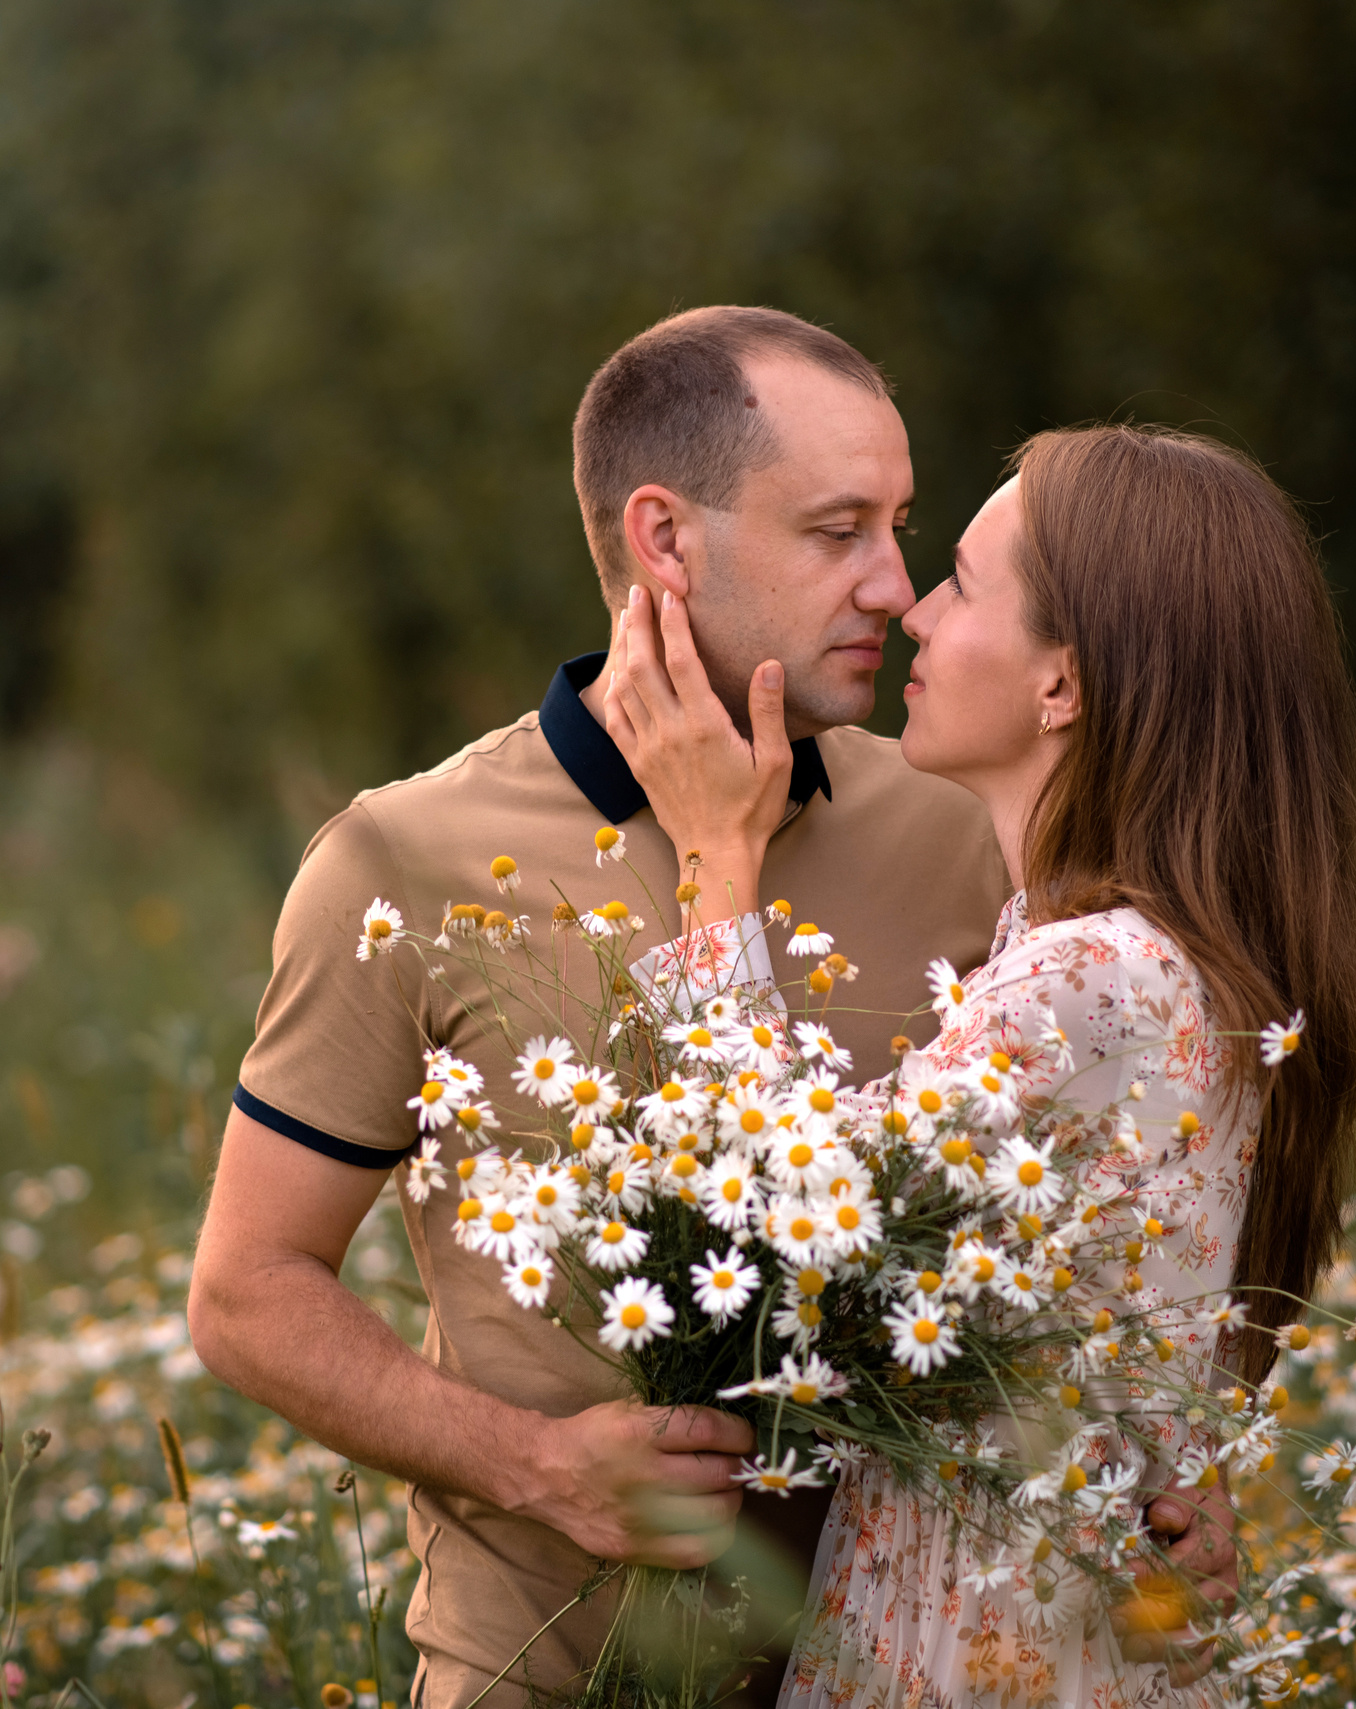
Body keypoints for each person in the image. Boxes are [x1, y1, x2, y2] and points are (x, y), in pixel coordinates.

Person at [187, 309, 1235, 1709]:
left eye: (903, 528)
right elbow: (246, 1292)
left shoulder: (961, 820)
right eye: (838, 531)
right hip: (541, 1675)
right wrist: (538, 1466)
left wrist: (1167, 1471)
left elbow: (1108, 1182)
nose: (894, 586)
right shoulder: (403, 860)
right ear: (666, 541)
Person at [600, 424, 1356, 1707]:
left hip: (974, 1645)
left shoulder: (1088, 975)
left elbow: (780, 1220)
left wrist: (713, 854)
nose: (911, 608)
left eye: (961, 581)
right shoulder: (1141, 957)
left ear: (1062, 686)